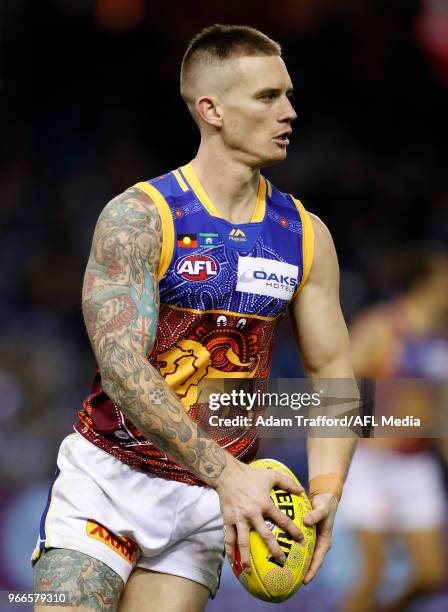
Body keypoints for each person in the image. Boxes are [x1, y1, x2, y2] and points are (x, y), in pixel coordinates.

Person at [32, 24, 357, 612]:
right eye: (267, 97)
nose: (290, 111)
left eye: (287, 94)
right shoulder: (141, 216)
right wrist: (229, 474)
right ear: (211, 109)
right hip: (110, 478)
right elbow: (123, 370)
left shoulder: (306, 236)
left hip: (203, 501)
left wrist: (328, 488)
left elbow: (333, 371)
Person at [340, 246, 448, 612]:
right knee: (373, 573)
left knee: (434, 575)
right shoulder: (382, 326)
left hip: (417, 465)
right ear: (425, 283)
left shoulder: (440, 337)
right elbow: (338, 384)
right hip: (373, 464)